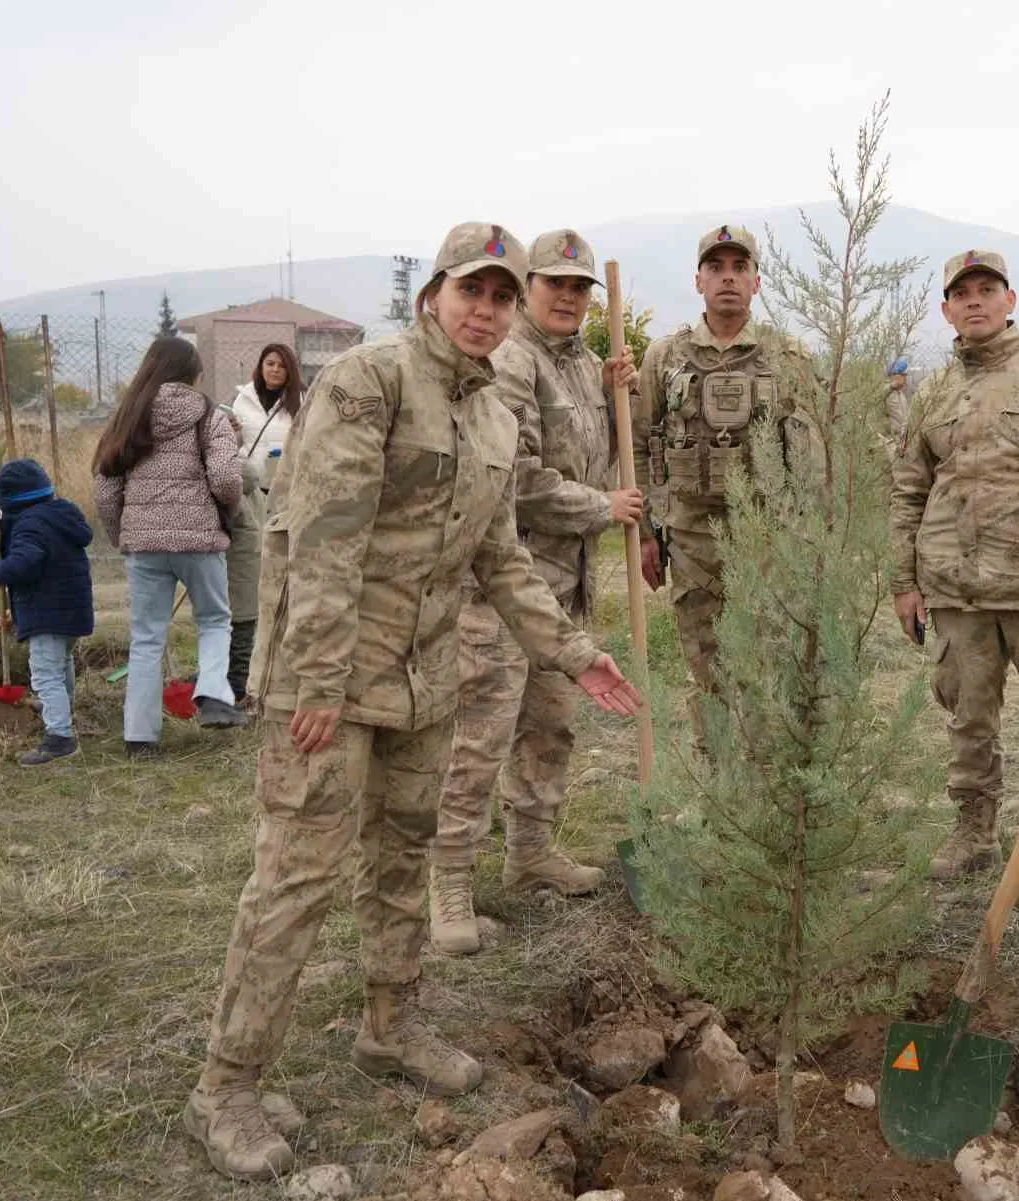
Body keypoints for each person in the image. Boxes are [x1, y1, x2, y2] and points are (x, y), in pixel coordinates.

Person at [184, 223, 641, 1183]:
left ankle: (390, 1026)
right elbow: (321, 537)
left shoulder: (492, 416)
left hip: (427, 683)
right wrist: (312, 681)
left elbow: (499, 556)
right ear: (435, 291)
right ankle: (226, 1084)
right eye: (470, 290)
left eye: (501, 296)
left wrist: (573, 650)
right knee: (297, 878)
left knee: (401, 860)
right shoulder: (368, 381)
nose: (486, 310)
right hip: (335, 684)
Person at [429, 228, 643, 954]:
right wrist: (599, 507)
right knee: (480, 738)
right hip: (500, 587)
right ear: (532, 288)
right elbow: (513, 478)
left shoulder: (584, 365)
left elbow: (607, 452)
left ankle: (530, 852)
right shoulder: (511, 361)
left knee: (550, 728)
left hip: (564, 587)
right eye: (555, 284)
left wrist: (622, 397)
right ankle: (450, 883)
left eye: (581, 287)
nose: (569, 298)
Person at [890, 249, 1019, 905]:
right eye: (962, 293)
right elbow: (908, 489)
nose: (975, 301)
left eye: (988, 289)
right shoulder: (935, 391)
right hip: (958, 592)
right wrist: (905, 578)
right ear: (946, 309)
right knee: (967, 721)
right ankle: (974, 829)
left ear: (1011, 300)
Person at [632, 224, 813, 748]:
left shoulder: (789, 357)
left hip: (769, 541)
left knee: (766, 668)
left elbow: (813, 456)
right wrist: (646, 531)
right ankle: (719, 792)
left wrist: (809, 540)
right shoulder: (665, 358)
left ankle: (763, 789)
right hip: (693, 542)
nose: (728, 278)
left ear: (757, 282)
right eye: (716, 268)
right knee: (707, 671)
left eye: (740, 268)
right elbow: (641, 446)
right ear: (698, 281)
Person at [93, 336, 249, 748]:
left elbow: (106, 493)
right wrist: (226, 515)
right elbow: (226, 479)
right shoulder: (207, 415)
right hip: (200, 540)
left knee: (147, 639)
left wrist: (125, 536)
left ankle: (139, 737)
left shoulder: (125, 418)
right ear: (192, 375)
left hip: (144, 545)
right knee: (214, 620)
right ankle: (215, 696)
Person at [0, 458, 94, 765]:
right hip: (70, 610)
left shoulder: (29, 525)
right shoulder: (60, 515)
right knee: (61, 664)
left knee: (45, 675)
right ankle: (62, 711)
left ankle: (60, 738)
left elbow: (24, 564)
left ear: (11, 502)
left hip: (48, 614)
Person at [223, 343, 302, 703]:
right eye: (269, 363)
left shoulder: (300, 402)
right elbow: (232, 445)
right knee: (251, 561)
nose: (274, 371)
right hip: (248, 488)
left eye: (281, 366)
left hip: (283, 486)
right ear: (260, 365)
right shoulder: (242, 400)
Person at [886, 355, 912, 446]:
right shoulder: (887, 393)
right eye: (903, 375)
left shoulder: (901, 394)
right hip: (892, 441)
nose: (905, 378)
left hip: (903, 439)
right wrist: (891, 386)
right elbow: (877, 395)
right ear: (895, 376)